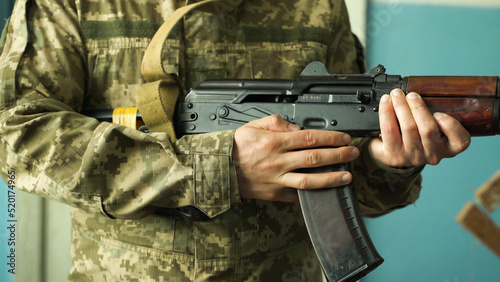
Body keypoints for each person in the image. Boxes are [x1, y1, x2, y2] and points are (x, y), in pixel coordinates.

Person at [0, 0, 470, 280]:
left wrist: (391, 163)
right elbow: (14, 134)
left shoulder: (318, 6)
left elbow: (351, 178)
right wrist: (219, 167)